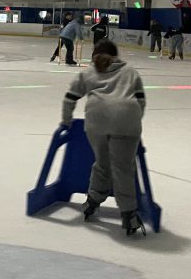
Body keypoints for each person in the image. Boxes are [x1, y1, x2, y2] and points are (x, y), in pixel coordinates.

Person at [61, 40, 148, 237]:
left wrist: (66, 122)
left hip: (96, 122)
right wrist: (132, 123)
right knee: (123, 169)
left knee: (102, 163)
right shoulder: (130, 71)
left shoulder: (89, 71)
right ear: (116, 55)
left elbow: (70, 98)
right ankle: (128, 215)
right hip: (127, 120)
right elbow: (141, 101)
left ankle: (92, 202)